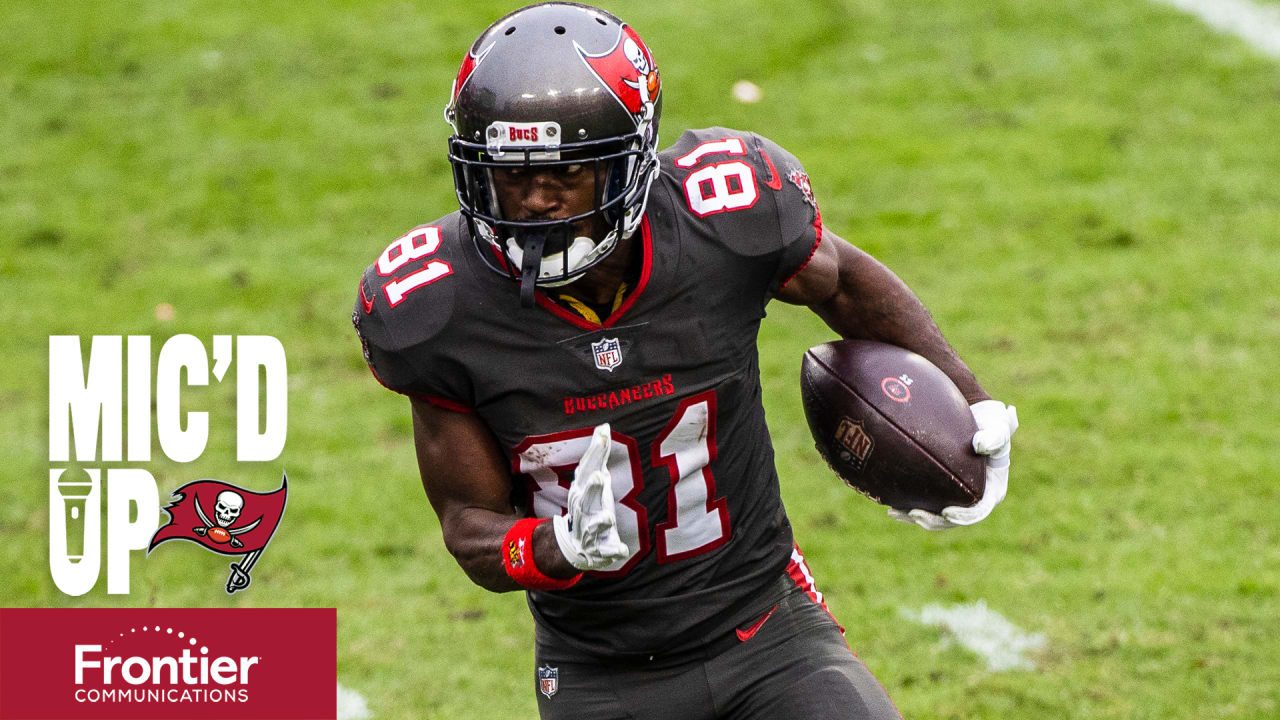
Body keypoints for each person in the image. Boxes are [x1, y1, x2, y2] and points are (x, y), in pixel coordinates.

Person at [352, 3, 1019, 718]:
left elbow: (846, 282)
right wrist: (556, 545)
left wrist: (968, 404)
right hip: (598, 673)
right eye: (509, 175)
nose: (533, 201)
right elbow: (468, 525)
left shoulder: (722, 217)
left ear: (630, 165)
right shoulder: (435, 309)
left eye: (565, 173)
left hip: (766, 631)